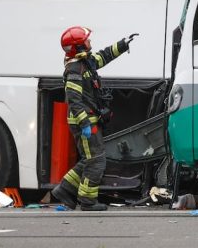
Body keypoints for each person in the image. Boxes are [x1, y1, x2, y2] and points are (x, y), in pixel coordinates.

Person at [51, 26, 138, 211]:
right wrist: (84, 124)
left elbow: (104, 56)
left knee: (89, 158)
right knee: (96, 160)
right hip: (84, 122)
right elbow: (74, 101)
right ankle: (87, 201)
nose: (90, 42)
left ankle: (65, 189)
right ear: (79, 47)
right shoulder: (74, 69)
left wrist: (122, 45)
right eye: (86, 40)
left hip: (90, 119)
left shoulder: (87, 62)